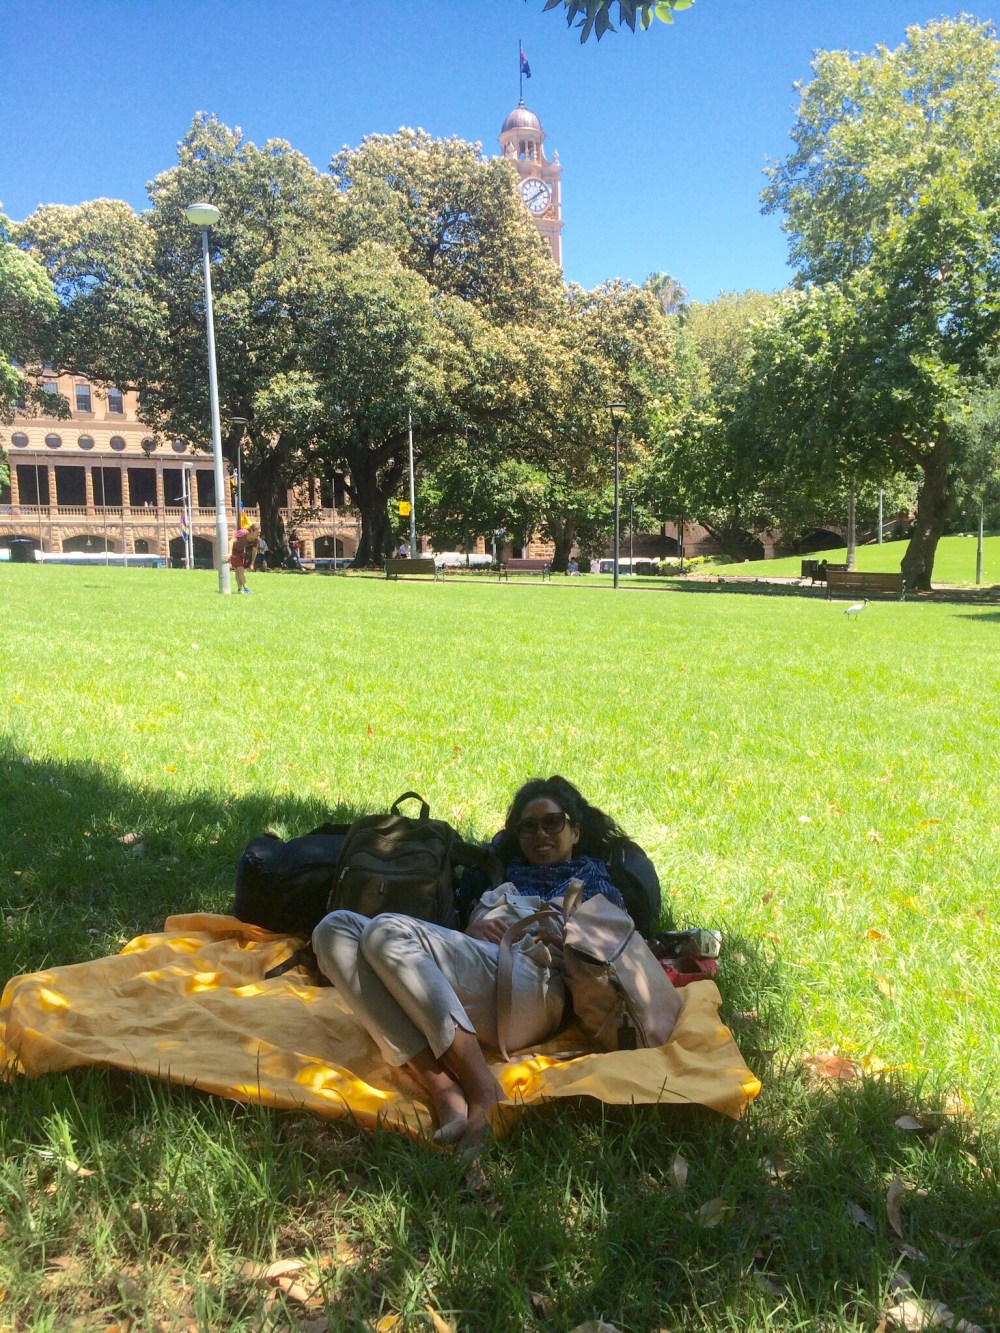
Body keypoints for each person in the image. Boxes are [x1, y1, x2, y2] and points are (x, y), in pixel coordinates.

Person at [311, 776, 632, 1157]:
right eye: (528, 826)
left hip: (536, 984)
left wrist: (565, 938)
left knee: (385, 931)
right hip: (474, 984)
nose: (540, 834)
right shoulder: (502, 874)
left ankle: (483, 1089)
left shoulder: (594, 882)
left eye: (552, 822)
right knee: (334, 930)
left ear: (575, 831)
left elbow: (613, 953)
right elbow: (449, 945)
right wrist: (470, 930)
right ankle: (444, 1088)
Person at [228, 523, 259, 594]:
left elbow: (254, 551)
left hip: (241, 552)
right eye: (257, 532)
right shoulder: (243, 533)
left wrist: (252, 564)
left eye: (259, 532)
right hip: (234, 551)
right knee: (240, 570)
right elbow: (231, 541)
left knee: (237, 571)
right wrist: (230, 553)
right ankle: (246, 589)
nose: (258, 534)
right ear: (251, 531)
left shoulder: (256, 539)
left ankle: (240, 589)